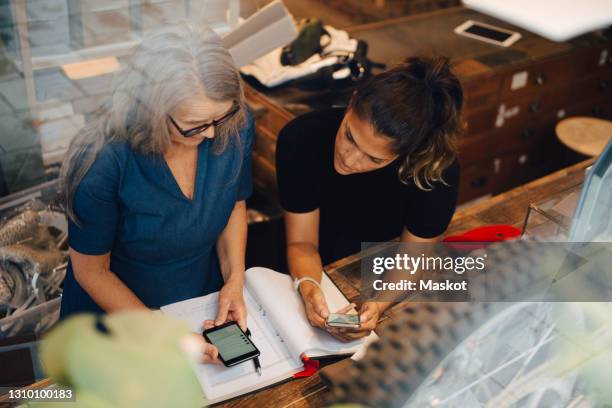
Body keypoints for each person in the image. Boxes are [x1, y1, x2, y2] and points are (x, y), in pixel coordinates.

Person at [59, 22, 253, 361]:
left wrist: (234, 280)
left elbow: (234, 206)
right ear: (152, 111)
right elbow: (91, 271)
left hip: (197, 300)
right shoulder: (102, 161)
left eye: (219, 118)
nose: (211, 135)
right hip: (117, 318)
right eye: (194, 126)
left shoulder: (232, 124)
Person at [276, 57, 463, 341]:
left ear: (407, 154)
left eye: (374, 158)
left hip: (372, 264)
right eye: (349, 136)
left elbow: (414, 257)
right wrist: (309, 285)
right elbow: (302, 242)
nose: (349, 159)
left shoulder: (434, 172)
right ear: (352, 101)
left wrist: (376, 306)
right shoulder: (302, 137)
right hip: (296, 257)